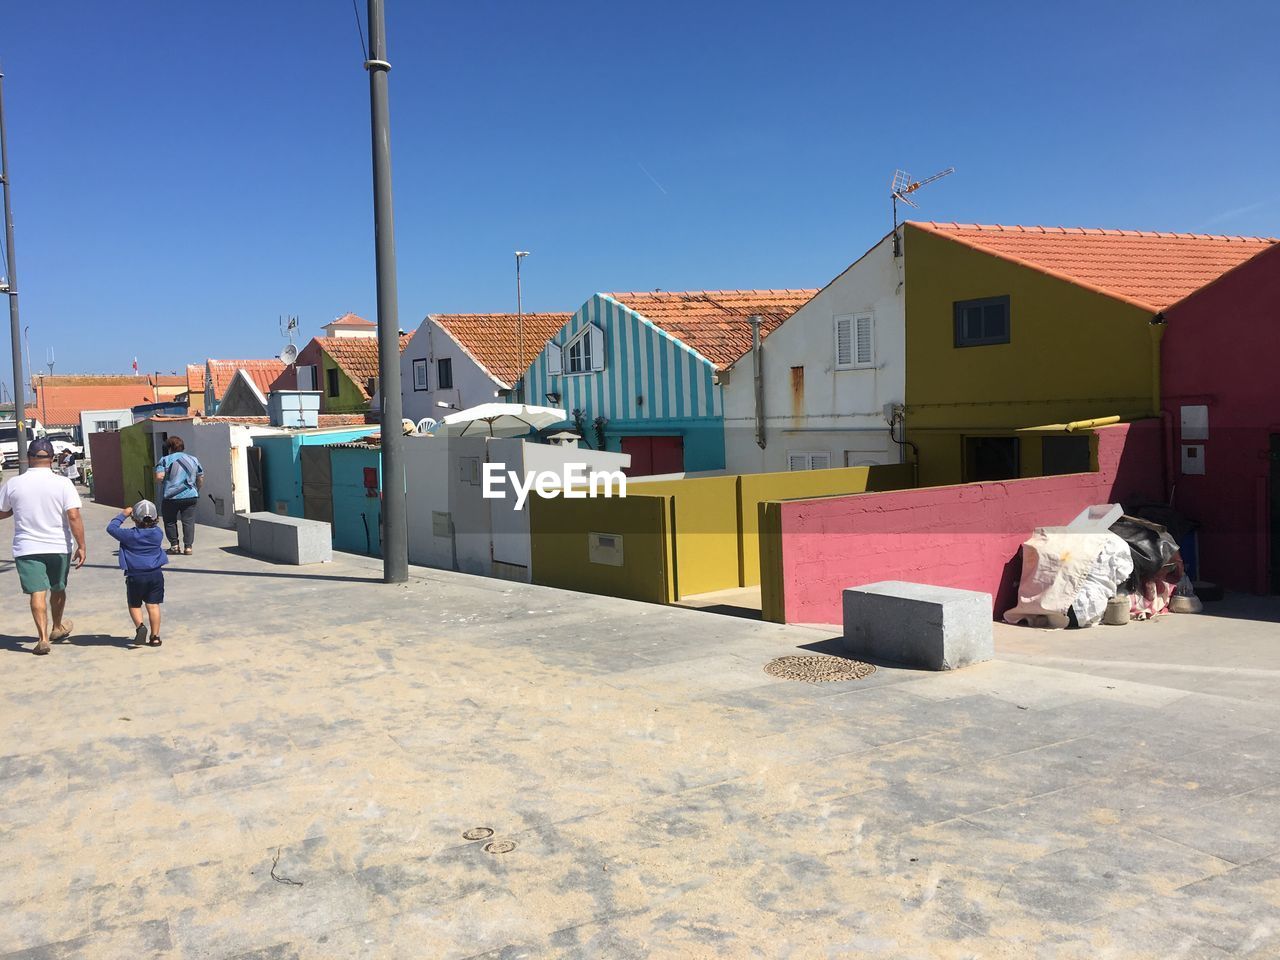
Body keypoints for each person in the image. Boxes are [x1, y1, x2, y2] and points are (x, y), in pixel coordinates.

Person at [0, 438, 87, 655]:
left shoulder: (13, 484)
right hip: (58, 546)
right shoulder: (63, 483)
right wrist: (82, 545)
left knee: (37, 592)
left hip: (27, 548)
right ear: (52, 458)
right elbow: (74, 516)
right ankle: (57, 627)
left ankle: (43, 638)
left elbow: (2, 511)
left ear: (29, 457)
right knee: (58, 588)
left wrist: (14, 510)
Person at [106, 500, 167, 647]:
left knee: (134, 604)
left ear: (135, 519)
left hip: (135, 575)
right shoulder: (158, 533)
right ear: (155, 518)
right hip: (155, 574)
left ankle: (140, 626)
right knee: (153, 605)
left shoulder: (129, 535)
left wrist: (124, 514)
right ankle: (155, 637)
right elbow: (150, 522)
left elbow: (111, 528)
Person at [154, 436, 203, 555]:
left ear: (170, 447)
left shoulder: (165, 460)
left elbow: (159, 477)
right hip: (191, 495)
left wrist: (164, 480)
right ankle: (188, 547)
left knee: (170, 521)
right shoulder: (193, 459)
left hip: (171, 497)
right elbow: (200, 478)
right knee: (188, 522)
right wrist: (197, 489)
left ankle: (174, 546)